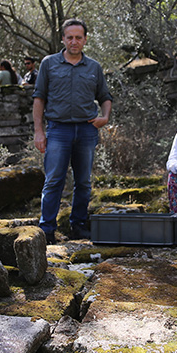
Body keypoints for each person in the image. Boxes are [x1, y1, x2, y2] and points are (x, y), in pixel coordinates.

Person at [33, 18, 113, 243]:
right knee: (54, 180)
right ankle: (47, 229)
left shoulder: (94, 67)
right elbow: (39, 98)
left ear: (85, 40)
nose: (74, 41)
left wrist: (104, 118)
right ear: (63, 39)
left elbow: (105, 97)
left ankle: (78, 225)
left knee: (84, 182)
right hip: (58, 130)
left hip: (87, 130)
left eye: (79, 37)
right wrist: (39, 131)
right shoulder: (49, 64)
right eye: (70, 37)